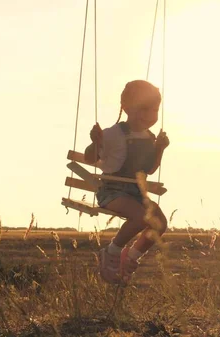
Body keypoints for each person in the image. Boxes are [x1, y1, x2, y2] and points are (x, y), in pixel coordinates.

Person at [83, 79, 170, 285]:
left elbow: (148, 169)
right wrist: (96, 141)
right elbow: (90, 158)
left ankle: (130, 257)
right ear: (126, 108)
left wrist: (159, 149)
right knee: (141, 217)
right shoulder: (114, 133)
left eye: (154, 110)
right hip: (112, 192)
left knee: (160, 223)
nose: (149, 116)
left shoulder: (149, 137)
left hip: (136, 192)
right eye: (143, 109)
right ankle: (111, 251)